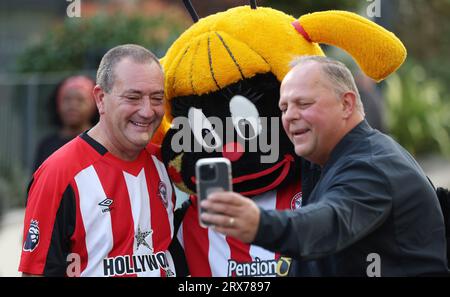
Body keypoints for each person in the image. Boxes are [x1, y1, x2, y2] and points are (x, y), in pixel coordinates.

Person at [200, 56, 449, 276]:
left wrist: (258, 222)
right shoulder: (328, 156)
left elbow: (328, 223)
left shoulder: (371, 166)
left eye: (304, 104)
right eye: (284, 108)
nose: (289, 116)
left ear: (346, 104)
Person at [19, 44, 179, 277]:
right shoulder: (60, 172)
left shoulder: (166, 164)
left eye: (156, 98)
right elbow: (37, 272)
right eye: (133, 97)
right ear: (101, 98)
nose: (147, 111)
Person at [33, 75, 98, 171]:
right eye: (67, 99)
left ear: (94, 105)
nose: (72, 105)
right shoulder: (46, 145)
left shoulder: (100, 144)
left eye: (80, 100)